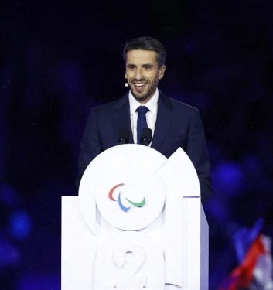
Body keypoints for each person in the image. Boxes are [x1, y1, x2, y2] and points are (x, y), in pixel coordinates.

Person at [77, 36, 213, 201]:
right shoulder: (100, 119)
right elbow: (85, 182)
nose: (138, 76)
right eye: (132, 67)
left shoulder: (186, 118)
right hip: (114, 222)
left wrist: (165, 195)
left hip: (169, 222)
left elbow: (202, 186)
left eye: (147, 68)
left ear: (161, 72)